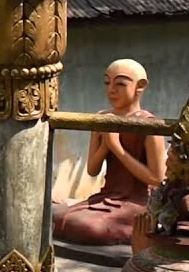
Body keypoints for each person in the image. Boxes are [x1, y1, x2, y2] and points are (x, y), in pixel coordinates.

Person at [53, 59, 166, 244]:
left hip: (137, 202)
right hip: (107, 197)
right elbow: (92, 170)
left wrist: (116, 147)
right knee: (58, 219)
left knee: (88, 227)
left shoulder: (150, 124)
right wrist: (105, 145)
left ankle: (133, 231)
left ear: (140, 86)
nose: (111, 89)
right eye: (107, 82)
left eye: (120, 83)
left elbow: (156, 178)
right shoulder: (102, 119)